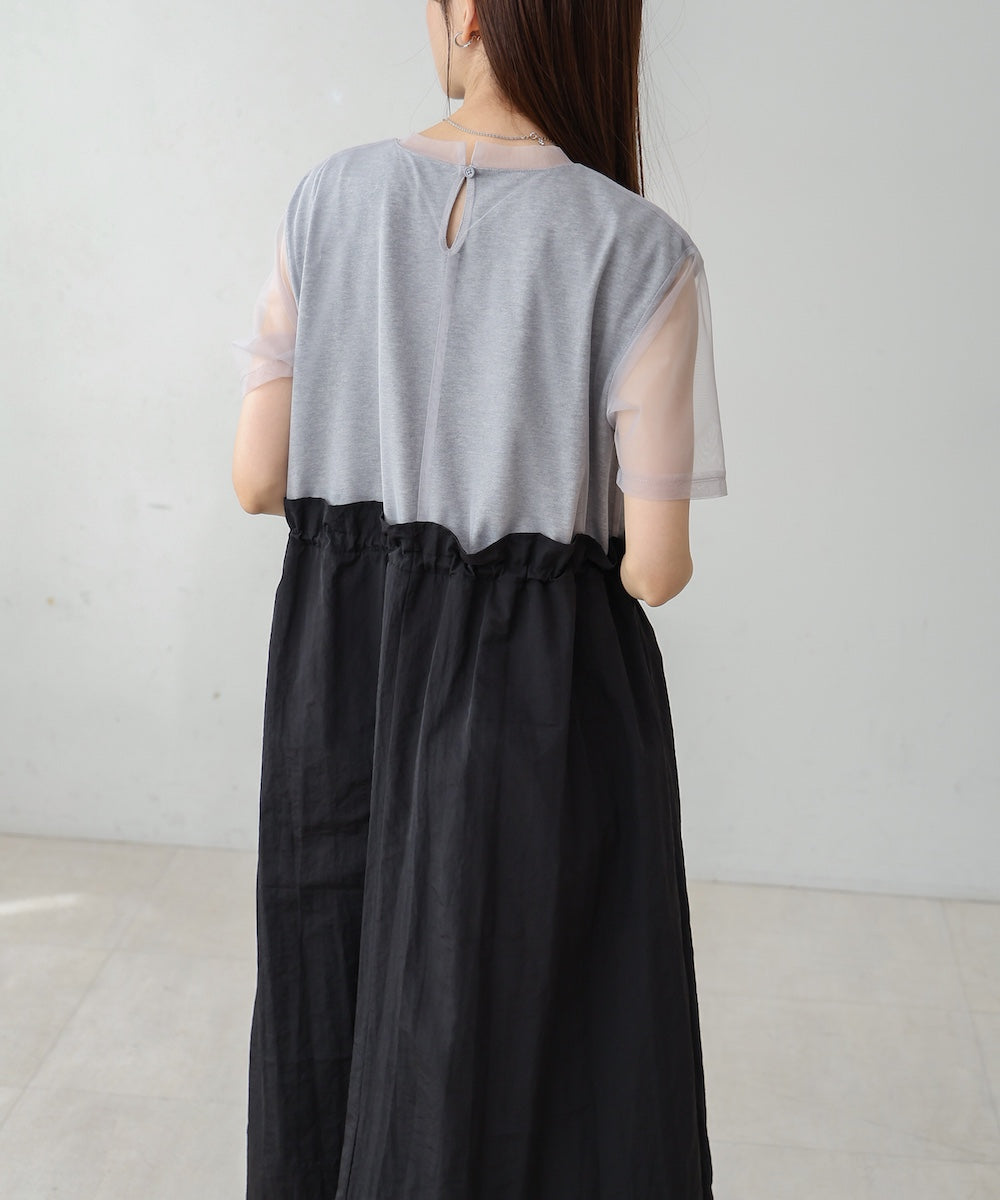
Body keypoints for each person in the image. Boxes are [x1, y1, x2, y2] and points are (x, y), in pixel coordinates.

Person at [230, 1, 727, 1196]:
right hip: (535, 692)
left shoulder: (325, 199)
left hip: (340, 669)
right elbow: (654, 567)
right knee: (523, 1038)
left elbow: (255, 480)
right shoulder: (640, 248)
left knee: (332, 989)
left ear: (465, 13)